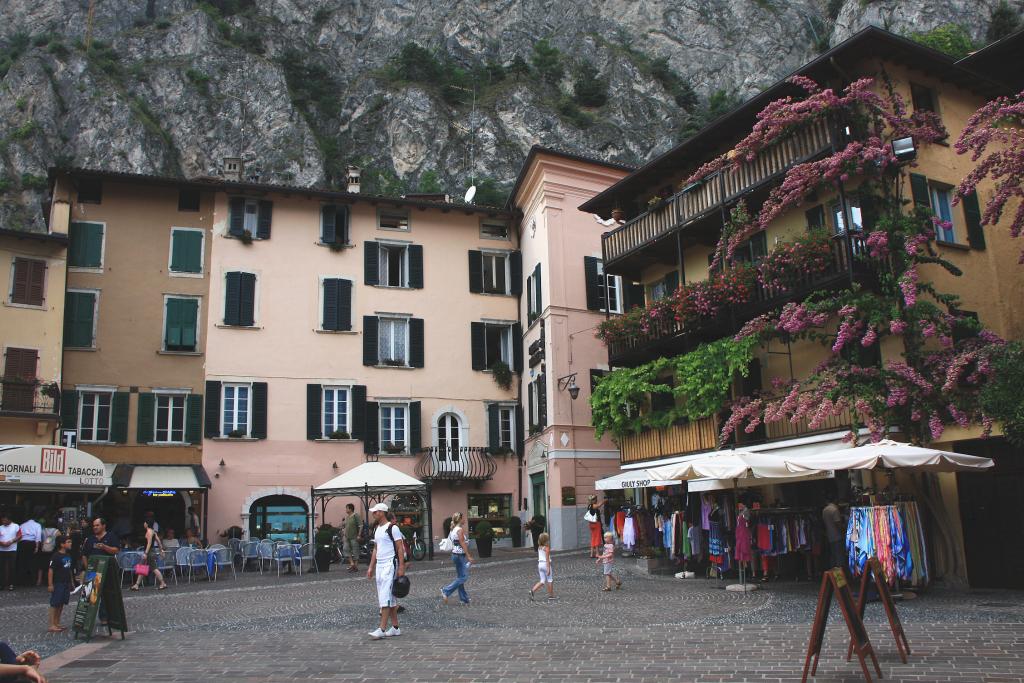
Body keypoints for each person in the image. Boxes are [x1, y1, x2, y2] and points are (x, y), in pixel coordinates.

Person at [366, 502, 405, 640]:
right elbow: (376, 549)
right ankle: (395, 628)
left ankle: (381, 629)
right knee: (389, 596)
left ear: (382, 512)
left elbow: (400, 548)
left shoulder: (392, 528)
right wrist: (371, 566)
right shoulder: (378, 529)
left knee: (385, 596)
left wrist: (401, 566)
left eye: (375, 512)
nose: (373, 514)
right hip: (380, 565)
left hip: (390, 564)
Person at [440, 512, 474, 606]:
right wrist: (469, 555)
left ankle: (464, 599)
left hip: (455, 555)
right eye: (463, 518)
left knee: (460, 577)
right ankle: (446, 590)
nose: (464, 520)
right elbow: (462, 543)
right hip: (459, 555)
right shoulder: (459, 530)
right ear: (459, 519)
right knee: (463, 577)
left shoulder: (453, 529)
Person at [131, 520, 167, 591]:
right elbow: (158, 541)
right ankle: (136, 585)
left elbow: (149, 543)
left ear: (147, 524)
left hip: (149, 552)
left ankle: (163, 583)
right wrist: (161, 549)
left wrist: (146, 553)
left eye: (144, 522)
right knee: (142, 567)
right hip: (150, 551)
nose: (143, 524)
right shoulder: (153, 531)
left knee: (154, 568)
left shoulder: (149, 532)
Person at [47, 535, 73, 632]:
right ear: (62, 544)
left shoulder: (68, 556)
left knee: (61, 603)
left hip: (66, 582)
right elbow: (51, 570)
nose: (71, 544)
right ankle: (51, 624)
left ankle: (57, 622)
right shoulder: (56, 556)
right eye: (68, 542)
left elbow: (69, 570)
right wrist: (50, 584)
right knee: (55, 603)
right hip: (58, 583)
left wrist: (71, 582)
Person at [16, 514, 41, 587]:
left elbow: (18, 536)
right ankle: (31, 581)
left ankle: (21, 581)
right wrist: (37, 547)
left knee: (22, 562)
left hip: (22, 544)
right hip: (31, 544)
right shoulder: (37, 525)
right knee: (32, 562)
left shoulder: (22, 525)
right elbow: (38, 536)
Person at [530, 532, 554, 601]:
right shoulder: (546, 548)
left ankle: (532, 591)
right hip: (545, 564)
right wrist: (548, 568)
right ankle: (551, 595)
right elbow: (547, 559)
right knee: (550, 580)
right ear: (546, 540)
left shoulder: (539, 547)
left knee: (542, 581)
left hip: (540, 565)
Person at [822, 498, 845, 570]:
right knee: (839, 556)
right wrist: (844, 530)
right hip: (837, 536)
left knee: (833, 556)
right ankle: (839, 576)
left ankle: (832, 575)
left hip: (830, 536)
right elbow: (838, 523)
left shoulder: (824, 510)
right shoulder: (834, 510)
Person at [0, 513, 20, 592]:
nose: (3, 521)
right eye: (2, 520)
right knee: (2, 567)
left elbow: (20, 535)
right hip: (1, 549)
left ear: (9, 520)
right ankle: (2, 584)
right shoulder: (0, 527)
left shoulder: (15, 526)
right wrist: (2, 543)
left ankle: (11, 584)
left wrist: (11, 541)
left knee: (12, 567)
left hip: (12, 549)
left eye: (5, 520)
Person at [39, 520, 59, 589]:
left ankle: (39, 581)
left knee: (42, 566)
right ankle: (51, 581)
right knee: (52, 566)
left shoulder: (43, 531)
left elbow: (41, 540)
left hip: (44, 550)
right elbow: (59, 540)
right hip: (52, 550)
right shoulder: (56, 531)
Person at [343, 503, 361, 572]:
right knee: (345, 549)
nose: (346, 509)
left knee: (355, 550)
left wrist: (359, 535)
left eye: (347, 508)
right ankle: (352, 563)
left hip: (354, 536)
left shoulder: (356, 516)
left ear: (350, 509)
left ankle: (355, 566)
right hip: (347, 537)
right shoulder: (347, 517)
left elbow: (360, 525)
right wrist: (344, 535)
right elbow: (346, 527)